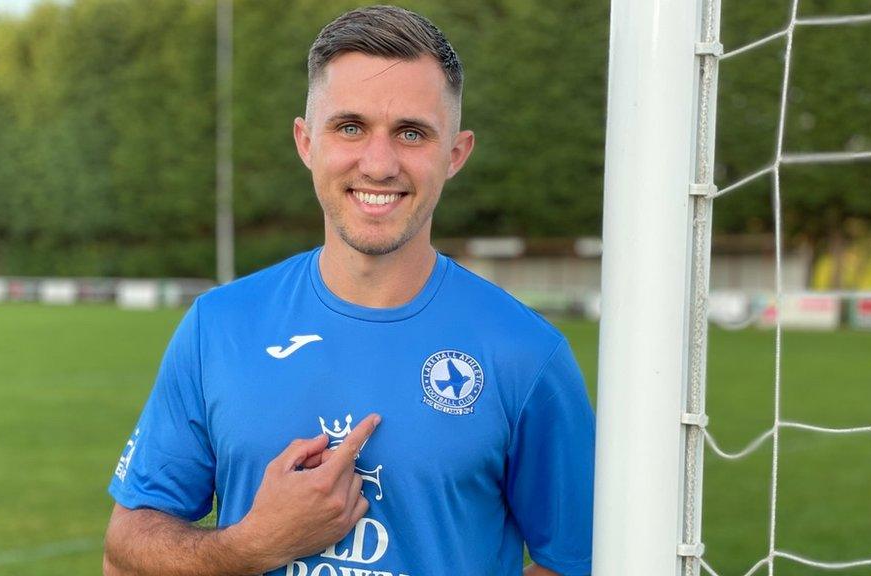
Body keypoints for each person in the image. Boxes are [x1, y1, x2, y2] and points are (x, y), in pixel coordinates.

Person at [103, 5, 594, 576]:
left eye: (411, 133)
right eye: (350, 127)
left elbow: (578, 563)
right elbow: (126, 552)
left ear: (454, 154)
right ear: (306, 141)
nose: (379, 164)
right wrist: (253, 545)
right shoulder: (219, 326)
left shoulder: (526, 354)